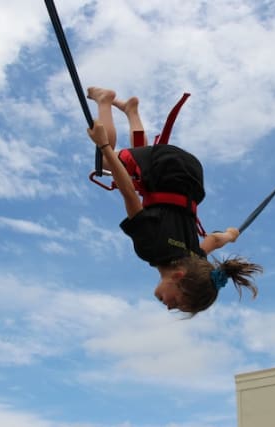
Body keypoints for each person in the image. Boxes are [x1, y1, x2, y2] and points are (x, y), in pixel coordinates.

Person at [86, 87, 262, 315]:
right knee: (107, 163)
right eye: (178, 303)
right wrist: (104, 146)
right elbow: (129, 193)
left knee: (138, 161)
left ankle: (131, 111)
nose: (170, 308)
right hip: (163, 171)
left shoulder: (194, 259)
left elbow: (214, 240)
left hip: (189, 175)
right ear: (179, 278)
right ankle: (104, 101)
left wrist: (231, 235)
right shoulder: (152, 250)